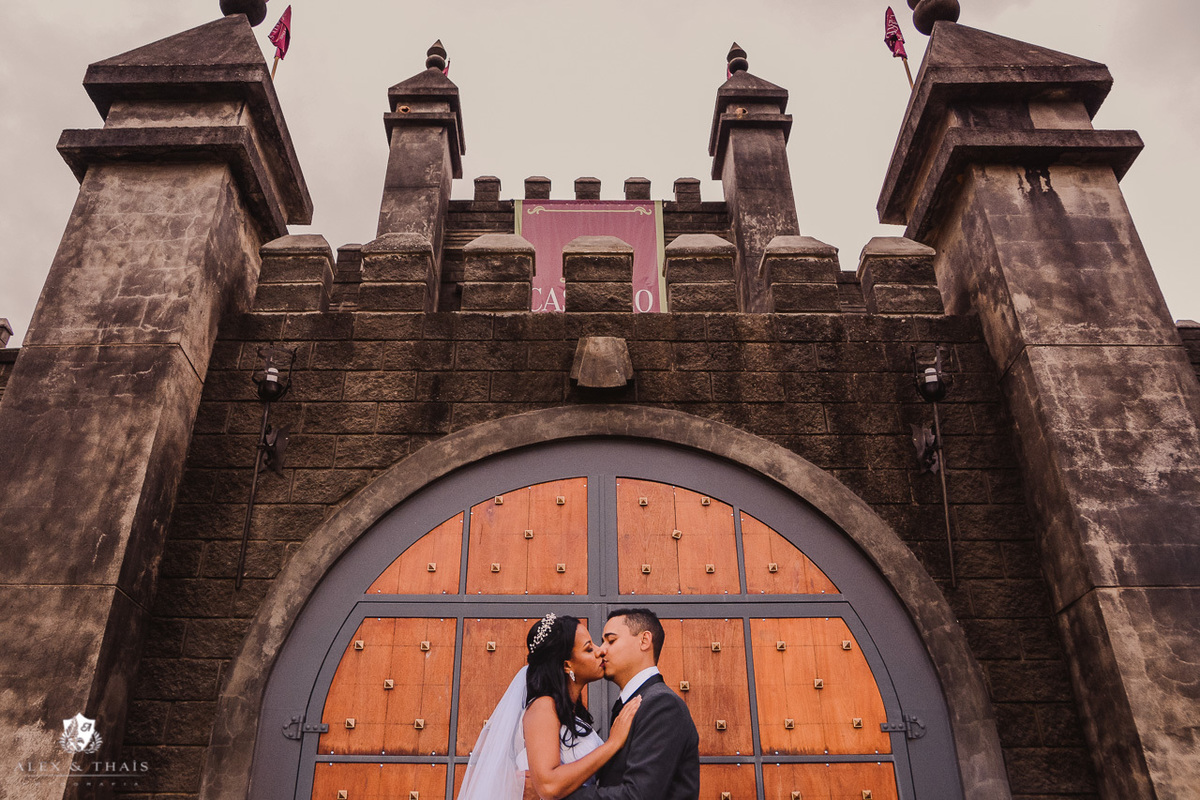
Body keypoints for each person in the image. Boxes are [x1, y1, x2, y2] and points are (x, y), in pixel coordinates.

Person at [457, 614, 642, 800]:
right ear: (568, 665)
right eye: (588, 649)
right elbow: (549, 786)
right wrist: (613, 743)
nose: (599, 651)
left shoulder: (569, 712)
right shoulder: (543, 707)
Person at [563, 608, 700, 800]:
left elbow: (638, 795)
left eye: (611, 640)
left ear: (644, 641)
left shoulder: (662, 705)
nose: (601, 650)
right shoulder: (632, 703)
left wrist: (558, 797)